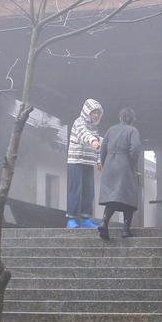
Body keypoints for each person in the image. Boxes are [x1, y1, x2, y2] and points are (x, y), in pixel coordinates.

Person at [97, 107, 141, 240]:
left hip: (110, 165)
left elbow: (103, 149)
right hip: (125, 165)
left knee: (112, 197)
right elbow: (135, 148)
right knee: (129, 197)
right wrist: (132, 164)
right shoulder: (133, 130)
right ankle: (125, 230)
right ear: (132, 119)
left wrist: (105, 164)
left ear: (120, 117)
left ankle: (104, 222)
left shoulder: (110, 130)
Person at [66, 98, 103, 229]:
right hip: (76, 160)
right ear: (87, 112)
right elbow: (83, 134)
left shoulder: (95, 128)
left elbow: (98, 145)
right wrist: (92, 141)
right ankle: (71, 219)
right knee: (75, 190)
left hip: (88, 162)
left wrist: (99, 160)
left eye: (98, 113)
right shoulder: (79, 122)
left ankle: (85, 219)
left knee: (89, 191)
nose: (96, 115)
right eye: (94, 112)